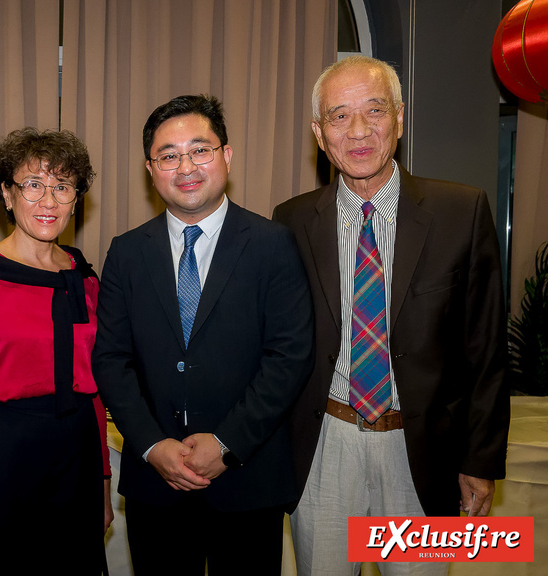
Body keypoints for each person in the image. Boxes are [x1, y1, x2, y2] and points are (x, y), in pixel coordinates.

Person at [273, 55, 509, 575]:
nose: (358, 131)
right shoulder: (290, 221)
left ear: (399, 118)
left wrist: (479, 460)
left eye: (373, 110)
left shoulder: (460, 212)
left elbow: (485, 351)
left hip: (420, 450)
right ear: (319, 132)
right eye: (339, 116)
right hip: (324, 449)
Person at [92, 94, 314, 575]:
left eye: (200, 149)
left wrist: (227, 442)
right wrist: (152, 445)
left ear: (226, 156)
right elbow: (110, 359)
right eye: (168, 155)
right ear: (151, 169)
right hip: (157, 484)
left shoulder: (272, 243)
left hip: (248, 478)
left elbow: (290, 355)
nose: (185, 166)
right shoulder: (127, 253)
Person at [0, 127, 113, 575]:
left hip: (78, 460)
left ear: (76, 198)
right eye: (33, 185)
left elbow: (93, 391)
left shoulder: (85, 278)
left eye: (62, 187)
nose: (48, 201)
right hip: (2, 461)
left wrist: (104, 486)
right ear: (7, 194)